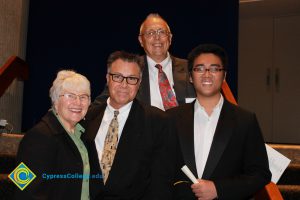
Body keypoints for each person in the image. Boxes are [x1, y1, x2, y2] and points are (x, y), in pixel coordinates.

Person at [167, 44, 271, 199]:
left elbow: (260, 174)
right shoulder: (171, 118)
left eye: (215, 69)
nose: (207, 74)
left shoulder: (245, 120)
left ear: (225, 76)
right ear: (190, 76)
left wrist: (218, 189)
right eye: (200, 69)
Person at [83, 51, 176, 199]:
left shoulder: (158, 122)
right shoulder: (87, 117)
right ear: (108, 78)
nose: (124, 85)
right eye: (118, 77)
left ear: (139, 82)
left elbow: (161, 183)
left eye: (132, 78)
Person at [15, 70, 100, 200]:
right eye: (70, 96)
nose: (78, 102)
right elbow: (23, 187)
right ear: (55, 100)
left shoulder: (83, 134)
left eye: (83, 97)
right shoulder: (38, 137)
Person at [94, 13, 195, 110]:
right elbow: (102, 103)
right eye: (150, 33)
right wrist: (79, 125)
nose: (157, 37)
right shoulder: (130, 69)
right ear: (141, 40)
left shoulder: (190, 68)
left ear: (170, 38)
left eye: (162, 32)